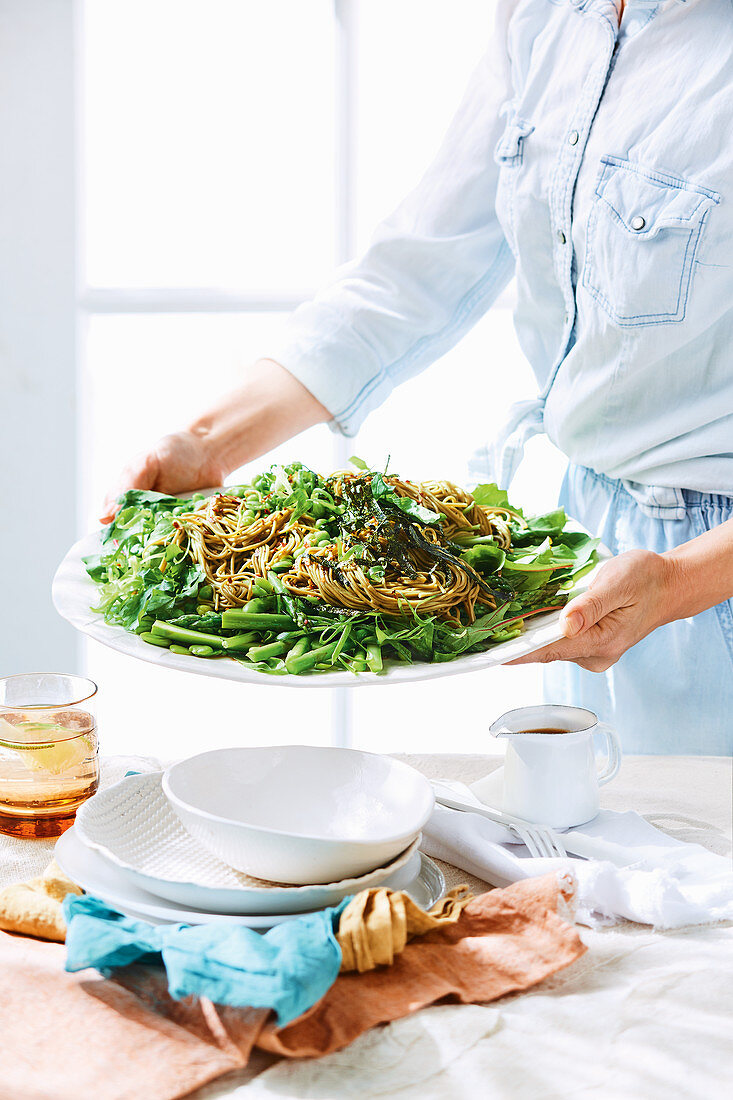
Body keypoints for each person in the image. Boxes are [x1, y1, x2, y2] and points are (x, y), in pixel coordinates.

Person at [103, 0, 733, 755]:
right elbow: (414, 274)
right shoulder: (542, 18)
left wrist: (678, 581)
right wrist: (207, 444)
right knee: (612, 852)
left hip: (709, 572)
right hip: (602, 562)